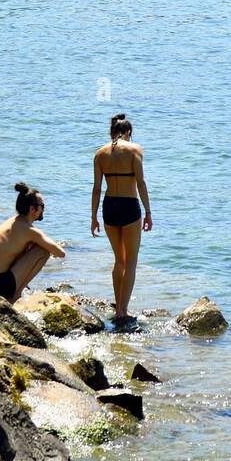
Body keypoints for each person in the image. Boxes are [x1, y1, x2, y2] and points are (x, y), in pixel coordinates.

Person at [91, 113, 152, 322]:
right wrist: (148, 212)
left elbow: (97, 189)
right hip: (129, 206)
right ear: (128, 133)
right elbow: (141, 183)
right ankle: (122, 311)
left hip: (109, 206)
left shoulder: (99, 154)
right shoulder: (135, 150)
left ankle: (118, 307)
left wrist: (93, 217)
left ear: (111, 132)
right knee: (131, 261)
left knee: (119, 260)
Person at [0, 181, 66, 302]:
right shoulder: (29, 230)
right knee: (43, 251)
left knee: (32, 246)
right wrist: (47, 244)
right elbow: (61, 253)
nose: (43, 209)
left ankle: (14, 291)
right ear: (32, 209)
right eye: (42, 206)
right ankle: (15, 295)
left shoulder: (12, 221)